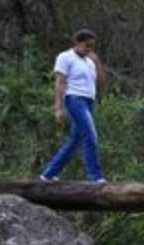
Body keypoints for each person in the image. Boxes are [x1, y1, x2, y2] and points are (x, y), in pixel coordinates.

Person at [40, 29, 107, 183]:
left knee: (75, 141)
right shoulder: (65, 57)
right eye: (87, 45)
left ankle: (49, 174)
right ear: (77, 43)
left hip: (89, 100)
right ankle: (95, 176)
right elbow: (60, 82)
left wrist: (97, 62)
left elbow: (102, 83)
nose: (89, 49)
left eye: (92, 46)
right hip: (75, 99)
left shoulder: (89, 62)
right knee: (90, 136)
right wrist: (58, 108)